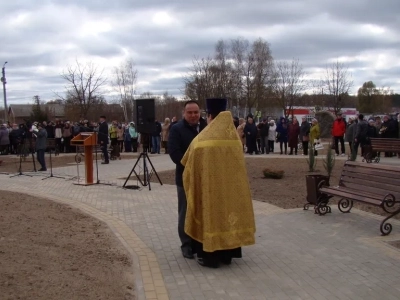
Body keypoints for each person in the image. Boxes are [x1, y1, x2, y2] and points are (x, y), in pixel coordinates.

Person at [181, 98, 256, 268]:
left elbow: (188, 166)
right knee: (227, 217)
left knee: (211, 218)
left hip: (210, 191)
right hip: (230, 191)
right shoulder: (235, 140)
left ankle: (210, 258)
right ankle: (227, 255)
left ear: (209, 116)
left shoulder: (202, 140)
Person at [168, 100, 207, 259]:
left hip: (205, 178)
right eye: (190, 112)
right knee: (185, 211)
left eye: (196, 112)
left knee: (203, 210)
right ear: (184, 113)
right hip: (185, 177)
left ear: (200, 113)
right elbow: (174, 153)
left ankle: (202, 242)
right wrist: (192, 166)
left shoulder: (207, 128)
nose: (193, 115)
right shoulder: (176, 129)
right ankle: (186, 244)